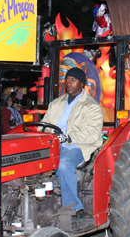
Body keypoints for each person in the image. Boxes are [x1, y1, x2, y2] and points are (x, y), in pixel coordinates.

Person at [40, 67, 103, 215]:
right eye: (67, 80)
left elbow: (92, 133)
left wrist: (69, 137)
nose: (68, 83)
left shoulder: (91, 106)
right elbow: (44, 124)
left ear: (82, 84)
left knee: (64, 163)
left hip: (77, 146)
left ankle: (72, 206)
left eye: (73, 80)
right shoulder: (55, 103)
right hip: (53, 143)